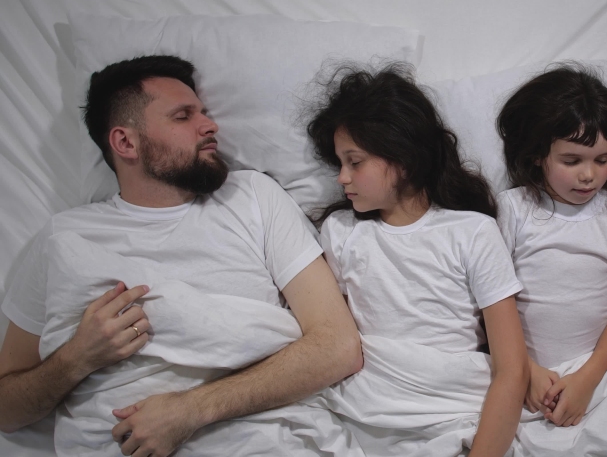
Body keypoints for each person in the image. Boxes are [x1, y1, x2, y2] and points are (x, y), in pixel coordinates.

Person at [0, 55, 362, 455]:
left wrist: (190, 410)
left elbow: (337, 347)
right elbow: (6, 411)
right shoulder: (64, 239)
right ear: (125, 142)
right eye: (182, 116)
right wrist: (75, 359)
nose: (209, 125)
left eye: (203, 112)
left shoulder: (253, 198)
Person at [308, 63, 529, 457]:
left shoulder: (471, 232)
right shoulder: (342, 232)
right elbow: (328, 337)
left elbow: (512, 369)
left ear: (404, 158)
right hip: (364, 411)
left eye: (354, 162)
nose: (342, 177)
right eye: (339, 163)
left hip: (452, 413)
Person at [494, 64, 607, 427]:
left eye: (602, 159)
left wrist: (587, 380)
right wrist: (524, 369)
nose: (589, 174)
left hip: (594, 373)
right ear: (536, 155)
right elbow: (492, 303)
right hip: (518, 367)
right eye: (571, 160)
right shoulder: (513, 209)